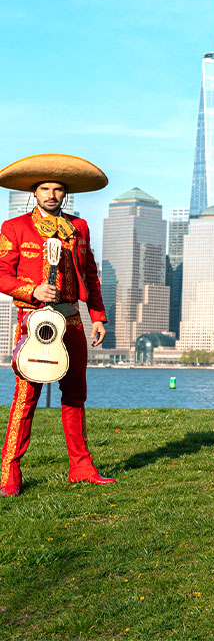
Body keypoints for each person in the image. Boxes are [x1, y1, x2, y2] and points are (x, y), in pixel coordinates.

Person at [0, 154, 112, 497]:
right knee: (26, 396)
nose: (52, 194)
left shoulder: (79, 228)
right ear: (34, 192)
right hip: (32, 319)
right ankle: (9, 474)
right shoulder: (14, 227)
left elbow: (90, 274)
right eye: (45, 188)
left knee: (76, 393)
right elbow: (2, 274)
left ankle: (81, 467)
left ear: (66, 194)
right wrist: (31, 289)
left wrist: (98, 316)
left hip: (73, 319)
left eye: (58, 189)